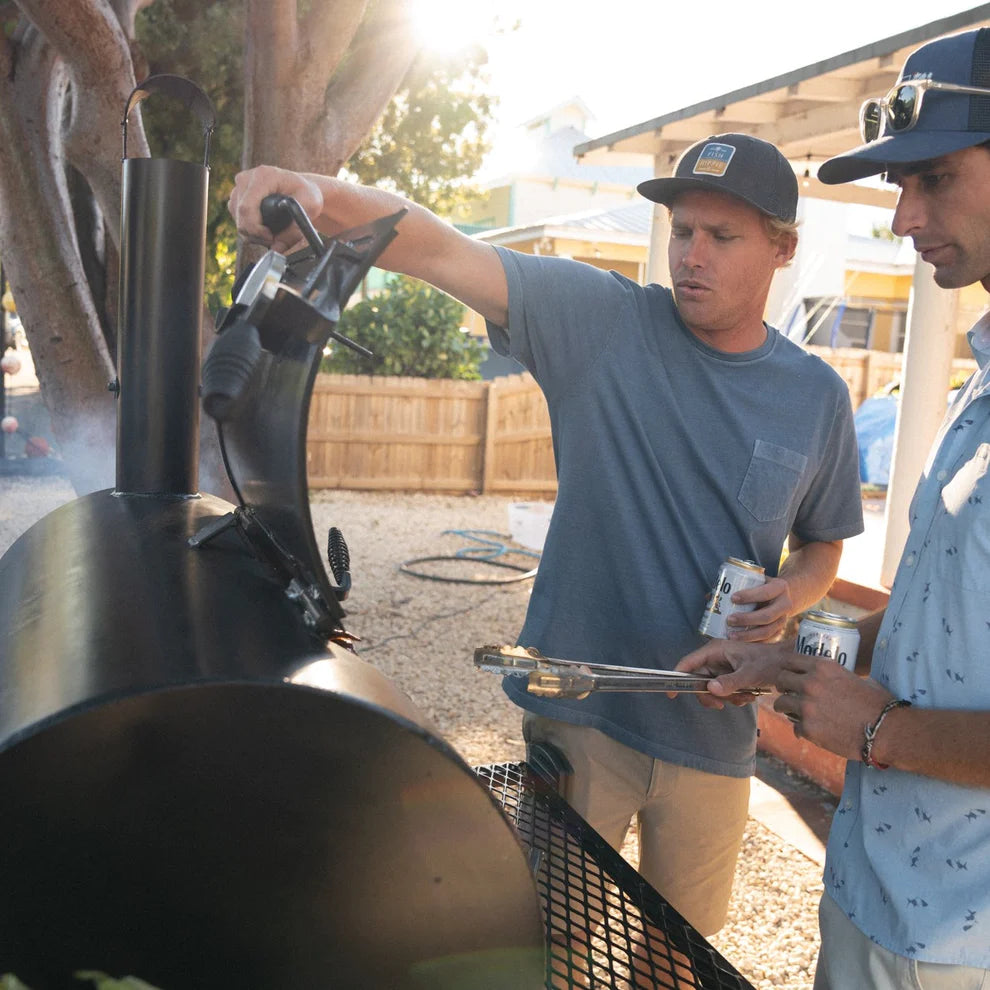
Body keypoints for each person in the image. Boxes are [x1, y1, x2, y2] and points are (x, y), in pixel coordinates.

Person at [228, 132, 864, 938]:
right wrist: (313, 192)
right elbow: (436, 247)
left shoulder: (816, 398)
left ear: (784, 249)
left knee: (681, 959)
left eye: (722, 236)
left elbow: (824, 545)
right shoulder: (603, 323)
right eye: (681, 231)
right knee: (557, 948)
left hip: (715, 733)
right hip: (580, 714)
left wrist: (794, 593)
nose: (690, 255)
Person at [677, 26, 990, 989]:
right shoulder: (980, 386)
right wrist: (801, 659)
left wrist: (877, 729)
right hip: (872, 886)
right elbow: (948, 612)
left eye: (932, 177)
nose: (903, 217)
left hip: (959, 940)